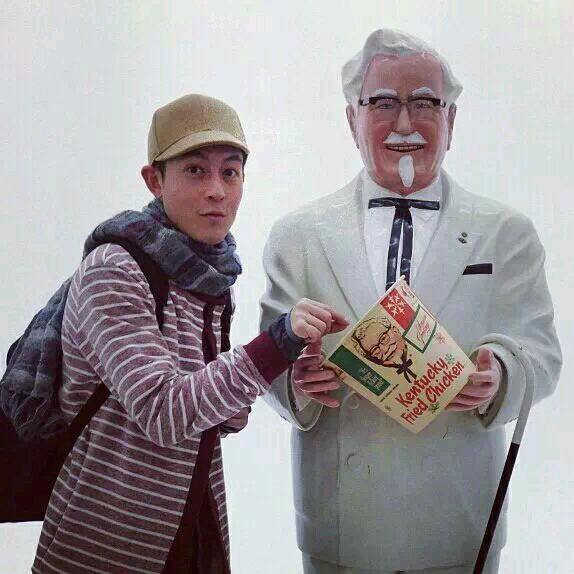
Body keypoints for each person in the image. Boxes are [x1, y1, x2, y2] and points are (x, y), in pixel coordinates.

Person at [259, 29, 562, 574]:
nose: (404, 123)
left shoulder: (506, 233)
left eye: (424, 103)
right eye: (382, 103)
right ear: (351, 119)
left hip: (460, 522)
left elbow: (542, 351)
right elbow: (266, 359)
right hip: (341, 525)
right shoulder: (297, 237)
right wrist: (296, 380)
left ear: (452, 120)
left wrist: (502, 373)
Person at [30, 93, 347, 573]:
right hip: (105, 542)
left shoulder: (210, 277)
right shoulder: (114, 270)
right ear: (154, 180)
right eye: (196, 170)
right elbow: (164, 413)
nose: (217, 190)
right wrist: (277, 342)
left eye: (230, 172)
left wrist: (291, 372)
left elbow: (221, 417)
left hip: (195, 532)